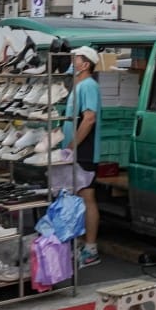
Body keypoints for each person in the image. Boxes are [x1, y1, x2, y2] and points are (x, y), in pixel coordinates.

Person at [49, 45, 103, 268]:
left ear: (86, 64)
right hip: (75, 150)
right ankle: (82, 243)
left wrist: (71, 146)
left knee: (87, 197)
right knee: (78, 196)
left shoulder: (88, 85)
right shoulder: (77, 85)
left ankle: (91, 248)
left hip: (84, 151)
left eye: (76, 58)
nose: (72, 61)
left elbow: (89, 119)